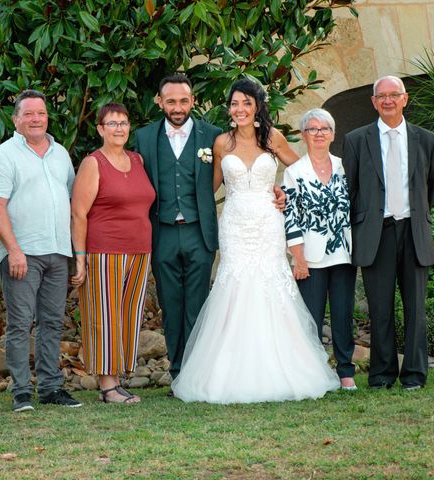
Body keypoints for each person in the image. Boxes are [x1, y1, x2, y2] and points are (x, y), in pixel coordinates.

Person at [172, 78, 340, 403]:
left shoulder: (272, 137)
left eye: (246, 103)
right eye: (235, 104)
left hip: (267, 222)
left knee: (269, 283)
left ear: (257, 106)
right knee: (234, 285)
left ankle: (282, 368)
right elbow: (210, 190)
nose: (240, 110)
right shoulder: (221, 143)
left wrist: (285, 193)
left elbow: (300, 169)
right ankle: (227, 372)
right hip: (235, 224)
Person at [0, 89, 82, 412]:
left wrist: (73, 252)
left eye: (40, 113)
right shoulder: (4, 155)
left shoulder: (60, 153)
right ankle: (22, 391)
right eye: (28, 114)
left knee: (52, 322)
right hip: (22, 254)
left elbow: (70, 202)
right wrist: (13, 250)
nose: (35, 119)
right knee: (20, 322)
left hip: (57, 252)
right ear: (16, 120)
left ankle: (51, 387)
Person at [343, 75, 434, 390]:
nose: (388, 100)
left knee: (415, 308)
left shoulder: (427, 140)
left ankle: (414, 375)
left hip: (414, 231)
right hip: (376, 234)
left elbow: (429, 188)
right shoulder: (356, 140)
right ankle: (381, 374)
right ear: (373, 102)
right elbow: (350, 189)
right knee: (380, 307)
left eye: (394, 95)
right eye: (381, 96)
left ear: (404, 99)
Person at [134, 74, 222, 382]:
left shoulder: (213, 135)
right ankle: (177, 372)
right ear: (159, 102)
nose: (177, 107)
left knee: (197, 305)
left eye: (184, 100)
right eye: (170, 101)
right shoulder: (143, 137)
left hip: (199, 232)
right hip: (163, 231)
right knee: (170, 305)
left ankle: (196, 374)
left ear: (193, 101)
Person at [70, 103, 155, 404]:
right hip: (104, 250)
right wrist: (80, 256)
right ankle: (108, 387)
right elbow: (79, 213)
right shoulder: (93, 163)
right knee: (104, 316)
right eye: (112, 123)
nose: (119, 128)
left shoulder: (137, 160)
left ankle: (118, 380)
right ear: (100, 129)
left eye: (123, 122)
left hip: (140, 250)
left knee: (127, 316)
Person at [282, 108, 357, 391]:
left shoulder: (346, 166)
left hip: (344, 254)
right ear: (303, 136)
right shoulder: (294, 173)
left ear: (333, 134)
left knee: (342, 313)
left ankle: (346, 371)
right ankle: (313, 372)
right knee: (311, 318)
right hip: (310, 258)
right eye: (312, 129)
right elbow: (291, 218)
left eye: (324, 129)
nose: (319, 134)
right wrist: (298, 258)